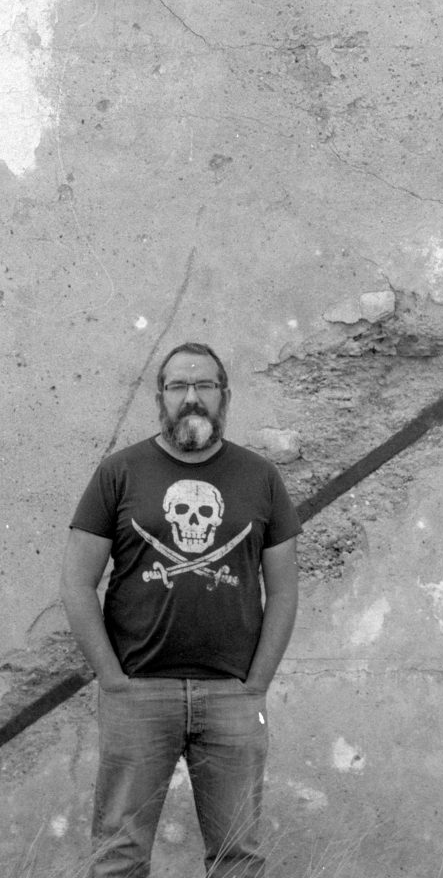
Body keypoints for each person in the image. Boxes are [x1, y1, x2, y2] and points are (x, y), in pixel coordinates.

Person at [60, 341, 300, 878]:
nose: (192, 397)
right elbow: (76, 583)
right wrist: (112, 680)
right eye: (178, 386)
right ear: (160, 398)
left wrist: (257, 683)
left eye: (205, 385)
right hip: (138, 692)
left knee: (239, 856)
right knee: (118, 856)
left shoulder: (260, 477)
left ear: (224, 396)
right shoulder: (119, 472)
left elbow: (284, 589)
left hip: (233, 694)